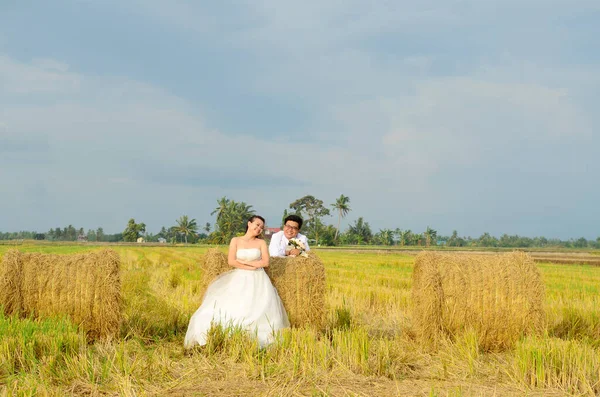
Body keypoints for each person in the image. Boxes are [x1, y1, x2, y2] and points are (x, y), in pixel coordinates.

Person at [184, 215, 289, 348]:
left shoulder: (261, 243)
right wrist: (250, 265)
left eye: (261, 227)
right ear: (249, 224)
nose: (259, 229)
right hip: (240, 277)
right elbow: (231, 261)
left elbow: (266, 262)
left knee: (257, 307)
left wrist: (245, 263)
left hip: (258, 279)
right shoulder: (236, 240)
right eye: (257, 225)